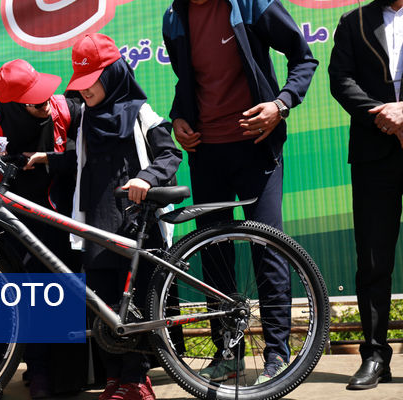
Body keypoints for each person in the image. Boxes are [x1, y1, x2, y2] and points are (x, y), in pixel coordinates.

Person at [162, 0, 317, 384]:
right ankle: (227, 353)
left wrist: (280, 105)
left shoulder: (250, 3)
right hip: (205, 152)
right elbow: (187, 81)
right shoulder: (173, 17)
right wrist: (179, 116)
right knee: (214, 253)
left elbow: (303, 57)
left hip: (256, 148)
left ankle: (277, 355)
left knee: (268, 247)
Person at [62, 33, 182, 400]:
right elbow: (75, 163)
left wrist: (145, 179)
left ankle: (137, 380)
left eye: (91, 82)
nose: (84, 91)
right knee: (104, 305)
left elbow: (169, 155)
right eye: (79, 84)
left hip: (137, 227)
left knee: (140, 303)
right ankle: (115, 378)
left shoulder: (141, 113)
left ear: (113, 74)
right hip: (96, 225)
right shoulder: (82, 119)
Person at [0, 59, 88, 398]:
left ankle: (44, 373)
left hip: (54, 213)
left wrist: (48, 158)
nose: (46, 101)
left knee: (51, 291)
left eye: (45, 93)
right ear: (13, 107)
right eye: (35, 99)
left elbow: (89, 154)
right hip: (4, 213)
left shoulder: (64, 109)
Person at [329, 0, 403, 390]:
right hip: (374, 152)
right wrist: (384, 115)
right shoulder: (354, 21)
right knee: (373, 258)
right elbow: (340, 79)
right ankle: (375, 356)